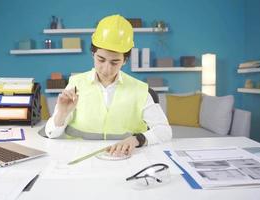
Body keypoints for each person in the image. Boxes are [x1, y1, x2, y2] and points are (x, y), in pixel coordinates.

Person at [45, 14, 172, 156]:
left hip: (126, 160)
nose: (106, 69)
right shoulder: (75, 84)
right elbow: (51, 133)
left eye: (114, 62)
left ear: (125, 60)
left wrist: (137, 139)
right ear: (93, 54)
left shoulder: (141, 90)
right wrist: (61, 114)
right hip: (80, 162)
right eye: (101, 59)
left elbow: (164, 131)